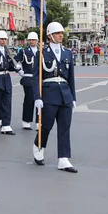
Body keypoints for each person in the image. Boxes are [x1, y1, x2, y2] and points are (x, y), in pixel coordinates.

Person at [31, 22, 77, 173]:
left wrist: (73, 98)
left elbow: (71, 78)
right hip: (49, 93)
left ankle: (63, 158)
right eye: (57, 33)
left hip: (65, 94)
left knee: (65, 127)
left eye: (62, 33)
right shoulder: (42, 53)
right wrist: (37, 97)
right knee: (46, 125)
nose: (60, 35)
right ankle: (39, 145)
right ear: (49, 35)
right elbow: (36, 77)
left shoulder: (67, 53)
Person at [14, 32, 38, 130]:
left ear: (37, 40)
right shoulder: (24, 51)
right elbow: (14, 61)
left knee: (39, 100)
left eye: (33, 40)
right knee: (29, 100)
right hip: (28, 78)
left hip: (39, 79)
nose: (32, 41)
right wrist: (19, 70)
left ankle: (38, 121)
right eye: (30, 40)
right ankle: (26, 120)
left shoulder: (41, 51)